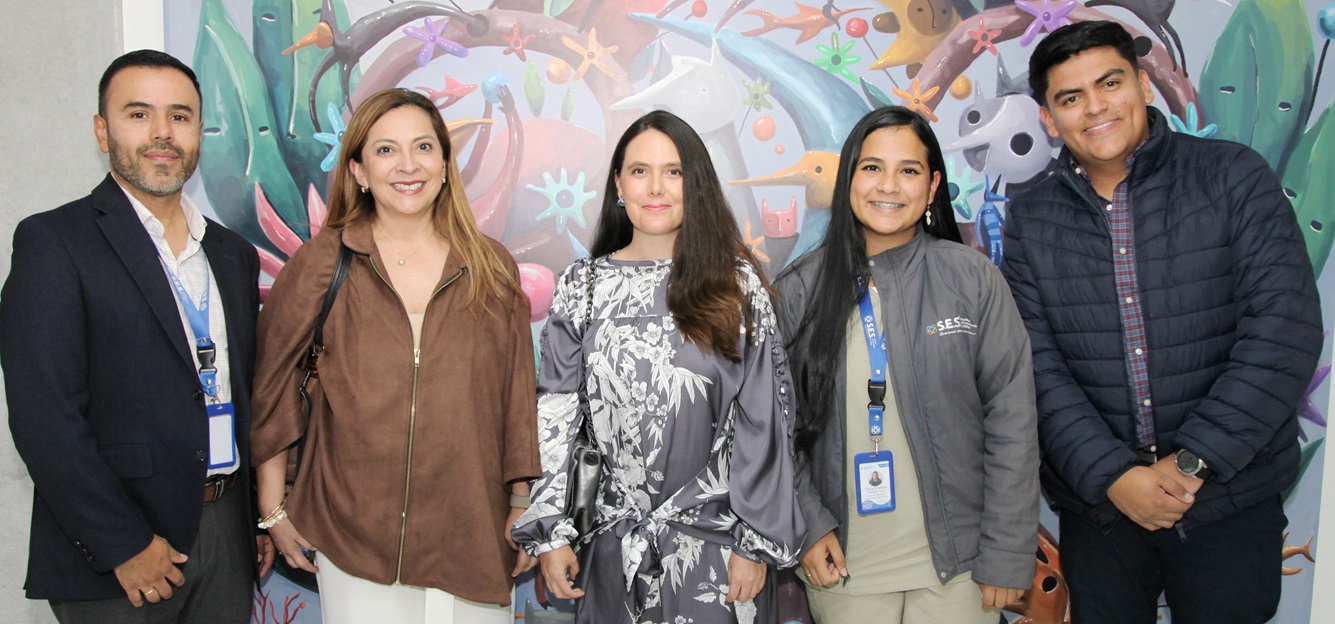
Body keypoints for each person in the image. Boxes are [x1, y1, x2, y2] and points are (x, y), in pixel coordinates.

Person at [1002, 21, 1323, 624]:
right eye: (1070, 97)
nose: (1095, 107)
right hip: (1102, 511)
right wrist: (1114, 475)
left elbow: (1283, 331)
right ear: (1049, 118)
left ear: (1143, 85)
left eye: (1110, 83)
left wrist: (1192, 461)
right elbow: (1033, 366)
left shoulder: (1233, 177)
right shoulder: (1031, 219)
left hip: (1228, 498)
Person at [249, 88, 540, 624]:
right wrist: (273, 507)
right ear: (358, 171)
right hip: (353, 534)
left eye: (423, 147)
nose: (408, 165)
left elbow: (516, 397)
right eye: (386, 150)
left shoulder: (491, 266)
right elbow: (273, 384)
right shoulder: (323, 263)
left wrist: (521, 503)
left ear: (446, 165)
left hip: (471, 530)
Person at [1, 50, 270, 623]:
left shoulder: (233, 254)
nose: (162, 133)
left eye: (179, 116)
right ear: (103, 131)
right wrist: (122, 544)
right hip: (118, 553)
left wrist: (253, 520)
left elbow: (242, 397)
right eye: (139, 114)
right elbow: (43, 415)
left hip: (225, 531)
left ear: (199, 132)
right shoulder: (55, 242)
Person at [512, 110, 806, 624]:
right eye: (640, 171)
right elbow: (554, 416)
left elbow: (767, 419)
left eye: (674, 172)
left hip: (718, 551)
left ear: (697, 185)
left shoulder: (736, 286)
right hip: (610, 547)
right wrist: (551, 533)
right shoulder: (583, 286)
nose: (656, 188)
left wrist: (754, 541)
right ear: (618, 184)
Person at [774, 106, 1039, 623]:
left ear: (933, 184)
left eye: (909, 170)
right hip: (843, 565)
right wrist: (806, 523)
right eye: (872, 167)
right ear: (848, 178)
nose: (889, 186)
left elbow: (1013, 421)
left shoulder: (972, 278)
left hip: (960, 568)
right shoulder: (799, 290)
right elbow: (771, 427)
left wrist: (1008, 549)